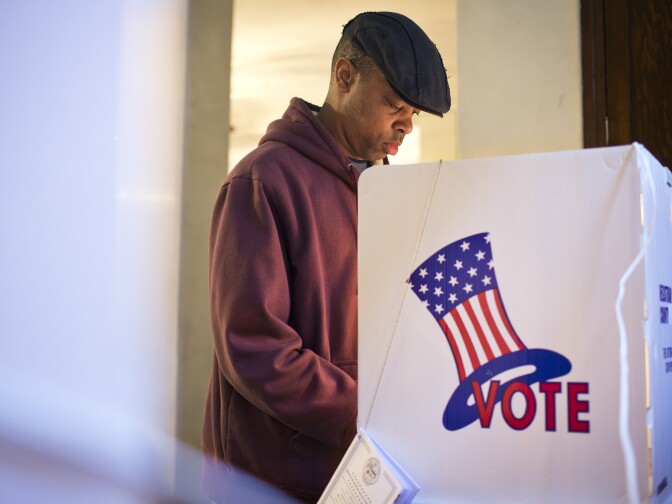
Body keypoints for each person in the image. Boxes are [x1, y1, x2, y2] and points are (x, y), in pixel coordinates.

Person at [202, 11, 451, 503]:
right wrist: (372, 413)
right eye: (394, 104)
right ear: (344, 76)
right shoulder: (261, 182)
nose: (405, 125)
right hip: (275, 479)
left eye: (414, 114)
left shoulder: (386, 189)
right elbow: (255, 350)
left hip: (362, 472)